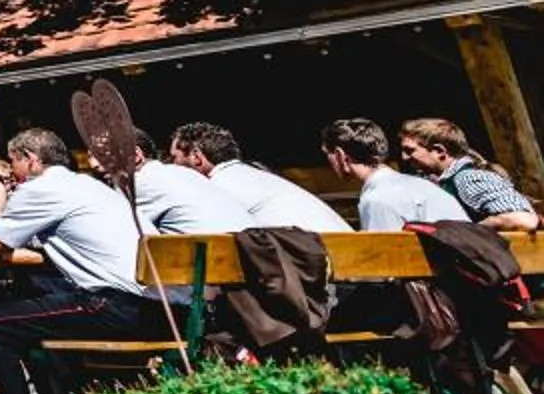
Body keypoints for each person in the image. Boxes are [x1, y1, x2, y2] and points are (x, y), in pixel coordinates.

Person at [0, 129, 156, 394]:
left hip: (113, 305)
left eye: (12, 162)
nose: (10, 171)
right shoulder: (89, 185)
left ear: (30, 160)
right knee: (30, 317)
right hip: (155, 306)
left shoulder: (39, 189)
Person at [164, 122, 349, 232]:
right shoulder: (251, 176)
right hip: (344, 262)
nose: (171, 165)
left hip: (329, 275)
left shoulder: (219, 187)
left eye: (174, 158)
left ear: (196, 157)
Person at [319, 117, 469, 231]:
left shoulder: (378, 198)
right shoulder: (422, 185)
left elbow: (386, 259)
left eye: (328, 154)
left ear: (340, 155)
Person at [395, 119, 539, 233]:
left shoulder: (469, 178)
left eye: (410, 151)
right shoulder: (435, 181)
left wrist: (467, 234)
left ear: (439, 151)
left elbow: (524, 220)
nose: (404, 158)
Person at [124, 131, 247, 236]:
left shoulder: (142, 181)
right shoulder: (188, 174)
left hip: (213, 253)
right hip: (246, 248)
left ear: (135, 155)